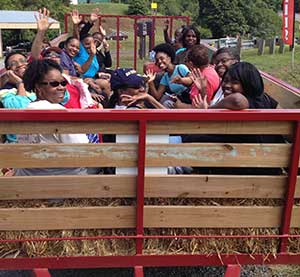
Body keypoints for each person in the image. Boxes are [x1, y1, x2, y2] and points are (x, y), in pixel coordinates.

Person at [14, 59, 89, 176]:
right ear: (38, 87)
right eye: (54, 84)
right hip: (66, 182)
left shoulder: (25, 110)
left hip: (28, 182)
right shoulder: (58, 112)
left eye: (63, 83)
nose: (61, 87)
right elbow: (83, 150)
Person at [146, 43, 191, 108]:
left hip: (190, 100)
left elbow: (192, 80)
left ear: (169, 58)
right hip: (180, 101)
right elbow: (157, 96)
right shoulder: (165, 77)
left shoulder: (180, 68)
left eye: (162, 58)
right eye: (157, 60)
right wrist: (150, 82)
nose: (159, 62)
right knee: (164, 101)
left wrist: (182, 80)